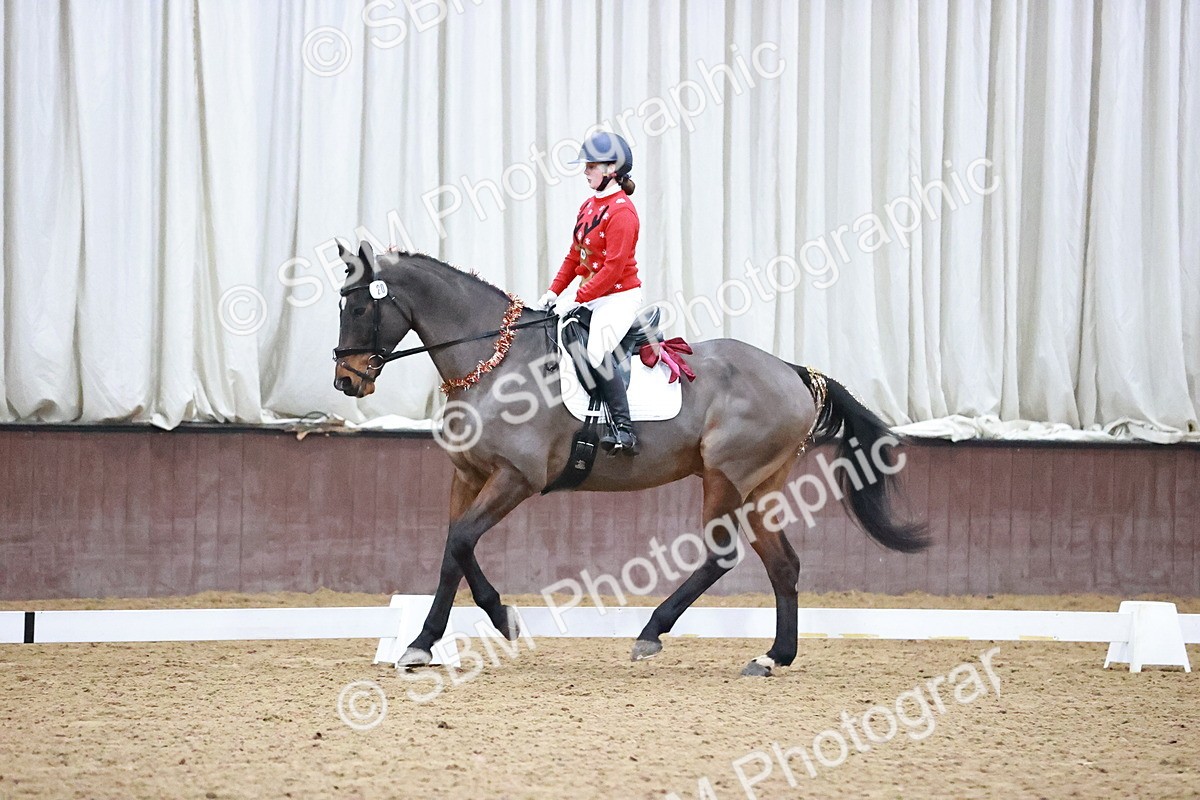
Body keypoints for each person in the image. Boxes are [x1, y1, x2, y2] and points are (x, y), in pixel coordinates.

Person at [538, 130, 642, 455]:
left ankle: (624, 429)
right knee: (563, 333)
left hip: (619, 295)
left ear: (612, 170)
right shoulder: (588, 206)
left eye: (591, 167)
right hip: (595, 293)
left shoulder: (623, 212)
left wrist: (577, 299)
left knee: (595, 351)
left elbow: (613, 269)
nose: (585, 172)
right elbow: (575, 256)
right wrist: (553, 293)